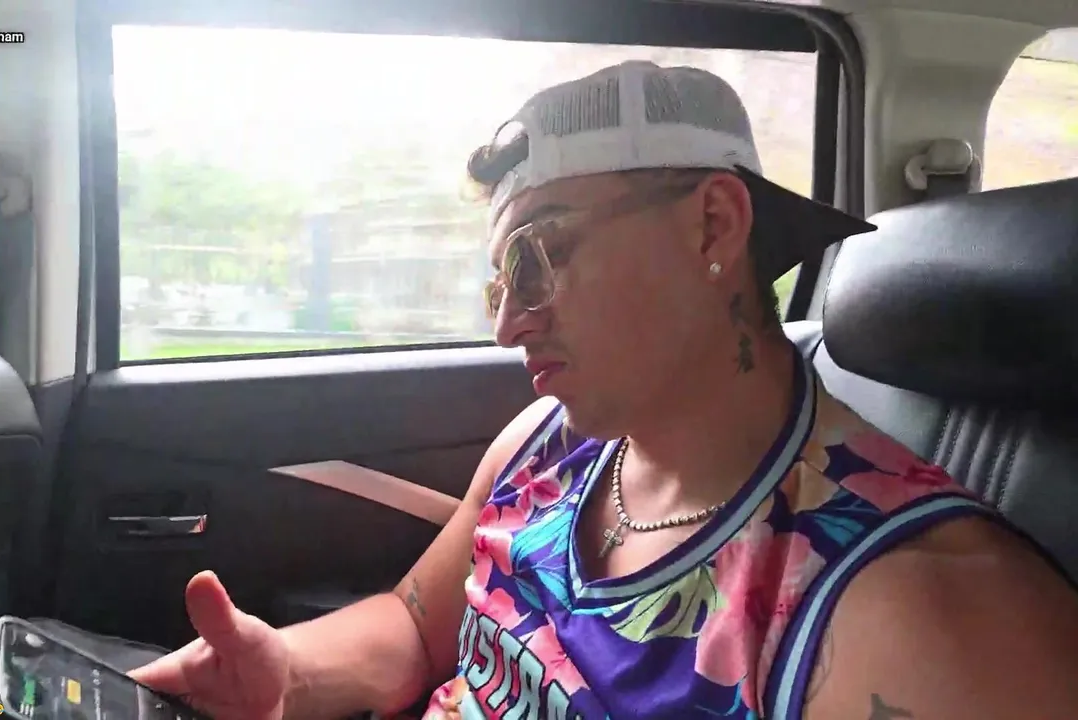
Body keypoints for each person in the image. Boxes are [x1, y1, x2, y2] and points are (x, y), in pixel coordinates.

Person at [129, 61, 1078, 719]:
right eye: (500, 285)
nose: (509, 324)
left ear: (713, 226)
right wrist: (285, 672)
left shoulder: (915, 621)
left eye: (539, 258)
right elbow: (418, 626)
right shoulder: (547, 443)